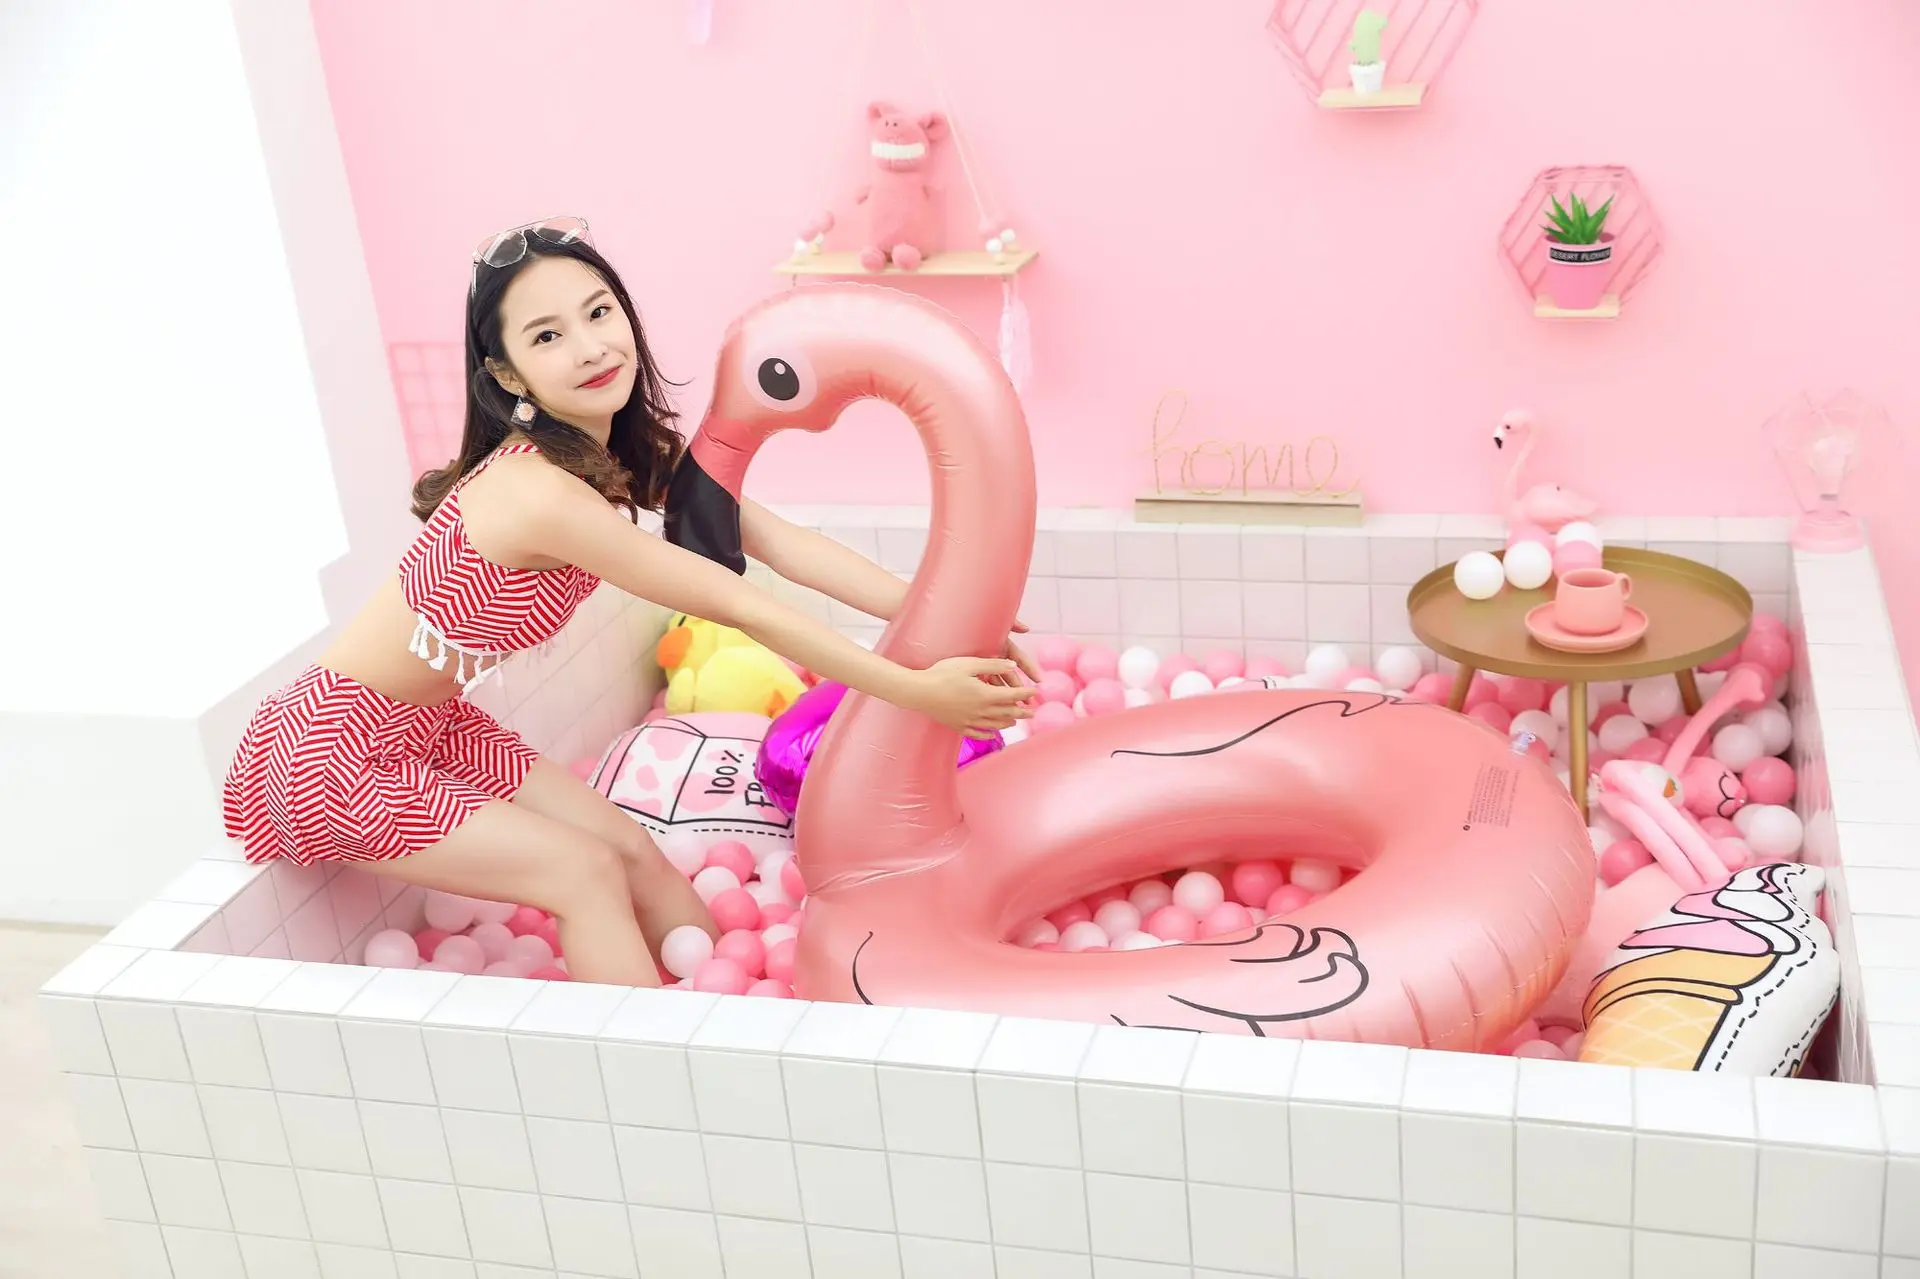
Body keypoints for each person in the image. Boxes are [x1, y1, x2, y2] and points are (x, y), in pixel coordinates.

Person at [223, 216, 1038, 987]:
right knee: (582, 872)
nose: (590, 347)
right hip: (326, 752)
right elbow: (741, 604)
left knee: (632, 850)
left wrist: (956, 618)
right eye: (547, 336)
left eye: (598, 312)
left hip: (431, 724)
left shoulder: (611, 453)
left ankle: (727, 1002)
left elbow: (785, 544)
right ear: (507, 375)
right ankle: (662, 1075)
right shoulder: (537, 495)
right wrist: (916, 689)